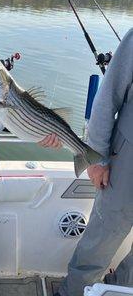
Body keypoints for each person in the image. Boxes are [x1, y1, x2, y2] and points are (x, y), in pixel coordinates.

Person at [40, 28, 133, 295]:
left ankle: (113, 290)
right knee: (101, 240)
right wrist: (97, 157)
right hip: (126, 161)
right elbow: (106, 100)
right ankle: (74, 292)